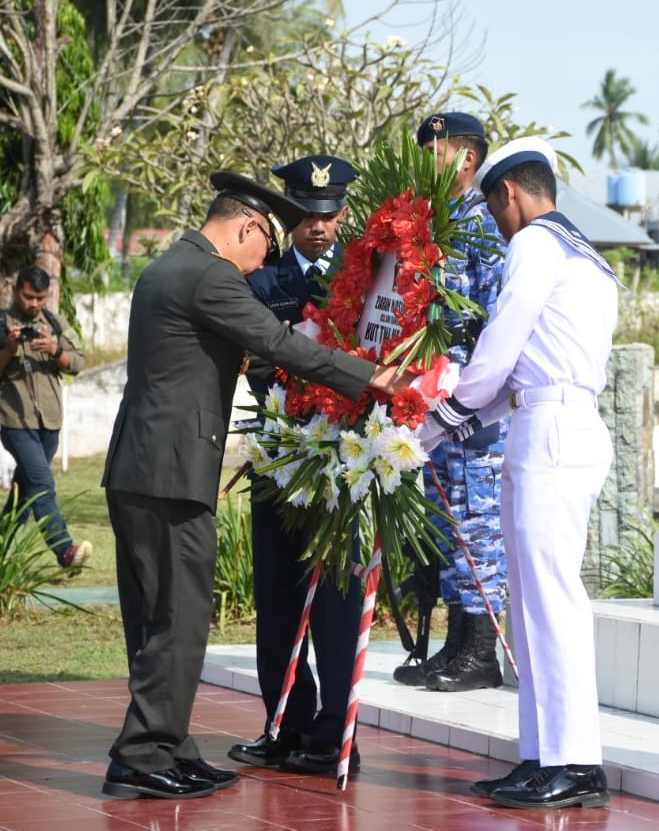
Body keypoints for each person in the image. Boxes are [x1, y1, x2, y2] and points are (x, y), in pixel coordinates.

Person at [101, 171, 406, 800]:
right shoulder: (211, 275)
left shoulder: (169, 266)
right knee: (178, 617)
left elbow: (243, 355)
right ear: (246, 227)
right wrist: (368, 377)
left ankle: (169, 745)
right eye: (263, 248)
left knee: (160, 614)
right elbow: (276, 342)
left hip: (145, 468)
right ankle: (139, 753)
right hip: (168, 473)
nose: (260, 263)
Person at [423, 137, 617, 809]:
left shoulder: (536, 243)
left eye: (493, 207)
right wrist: (463, 417)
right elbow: (525, 367)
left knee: (550, 601)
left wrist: (447, 409)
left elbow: (501, 338)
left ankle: (572, 760)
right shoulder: (586, 253)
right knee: (534, 603)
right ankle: (543, 754)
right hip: (550, 422)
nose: (498, 224)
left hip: (552, 434)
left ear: (509, 193)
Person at [227, 155, 365, 776]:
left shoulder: (365, 281)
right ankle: (285, 724)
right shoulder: (260, 282)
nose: (319, 227)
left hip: (342, 459)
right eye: (307, 215)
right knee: (278, 596)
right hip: (279, 452)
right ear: (289, 217)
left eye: (330, 214)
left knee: (337, 596)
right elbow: (252, 361)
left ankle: (336, 733)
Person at [391, 113, 510, 693]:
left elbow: (491, 318)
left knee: (477, 524)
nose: (424, 160)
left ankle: (481, 653)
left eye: (434, 150)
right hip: (432, 402)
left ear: (467, 158)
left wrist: (466, 392)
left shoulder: (483, 224)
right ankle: (455, 646)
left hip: (473, 407)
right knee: (447, 524)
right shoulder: (433, 224)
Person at [0, 265, 91, 571]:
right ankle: (65, 551)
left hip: (50, 423)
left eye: (40, 297)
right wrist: (8, 349)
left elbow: (78, 362)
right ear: (15, 290)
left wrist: (54, 349)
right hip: (15, 421)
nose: (34, 304)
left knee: (22, 493)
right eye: (28, 297)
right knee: (41, 482)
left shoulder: (55, 323)